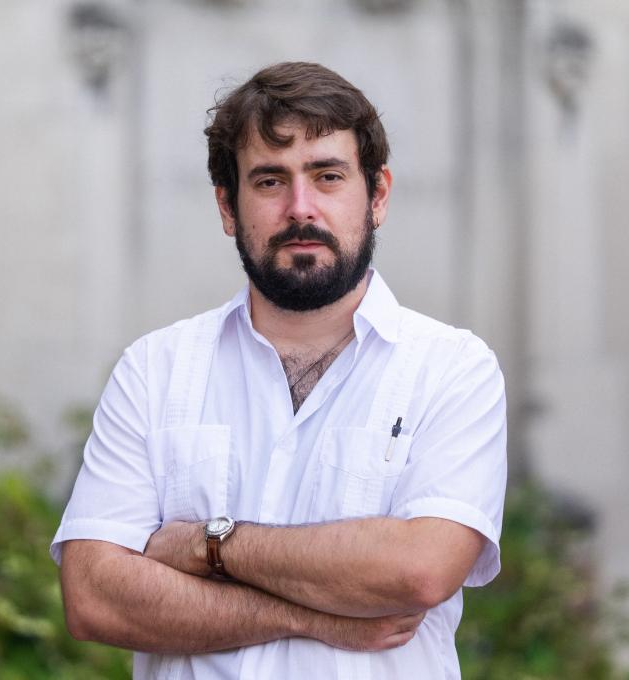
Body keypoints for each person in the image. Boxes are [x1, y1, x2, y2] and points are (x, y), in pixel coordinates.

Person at [51, 61, 507, 679]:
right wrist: (315, 617)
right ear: (227, 207)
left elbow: (418, 569)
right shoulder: (155, 370)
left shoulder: (452, 369)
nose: (301, 208)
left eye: (327, 176)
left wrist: (205, 544)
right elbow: (95, 599)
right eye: (269, 181)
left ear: (376, 196)